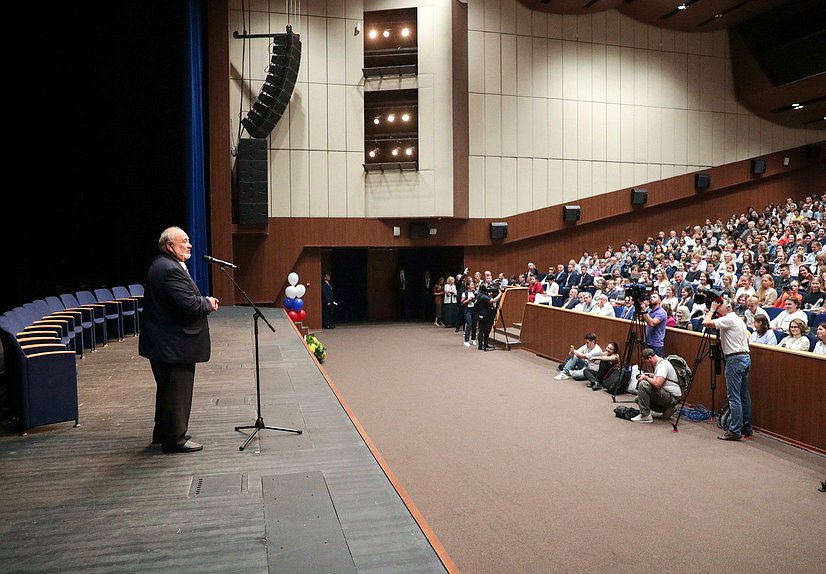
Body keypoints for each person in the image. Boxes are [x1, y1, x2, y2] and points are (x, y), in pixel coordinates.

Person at [139, 226, 219, 454]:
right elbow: (189, 304)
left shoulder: (164, 265)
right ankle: (175, 439)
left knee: (167, 389)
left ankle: (164, 432)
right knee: (177, 391)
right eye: (184, 241)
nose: (189, 244)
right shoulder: (169, 269)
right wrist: (208, 303)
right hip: (173, 344)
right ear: (169, 246)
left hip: (164, 342)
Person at [703, 296, 752, 441]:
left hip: (735, 359)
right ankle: (746, 427)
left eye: (720, 305)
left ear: (728, 307)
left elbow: (706, 323)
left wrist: (711, 310)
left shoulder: (729, 318)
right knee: (744, 396)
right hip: (744, 358)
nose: (718, 307)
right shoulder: (736, 318)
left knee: (734, 397)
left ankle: (735, 430)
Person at [630, 348, 681, 423]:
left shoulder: (662, 366)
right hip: (668, 396)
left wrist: (645, 377)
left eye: (645, 362)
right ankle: (666, 409)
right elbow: (661, 379)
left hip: (671, 397)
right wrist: (651, 375)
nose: (646, 364)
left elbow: (657, 384)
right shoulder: (662, 363)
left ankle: (645, 416)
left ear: (650, 358)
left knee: (644, 384)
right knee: (639, 399)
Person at [476, 271, 503, 351]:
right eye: (487, 278)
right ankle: (480, 346)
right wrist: (501, 293)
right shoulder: (481, 295)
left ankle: (486, 344)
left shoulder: (492, 288)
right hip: (483, 313)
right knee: (482, 329)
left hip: (491, 312)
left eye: (490, 278)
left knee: (488, 328)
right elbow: (493, 300)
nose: (489, 279)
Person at [640, 292, 667, 356]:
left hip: (656, 344)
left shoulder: (661, 312)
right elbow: (642, 320)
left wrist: (644, 311)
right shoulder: (649, 310)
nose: (651, 298)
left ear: (660, 301)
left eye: (654, 297)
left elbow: (652, 323)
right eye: (651, 297)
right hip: (647, 342)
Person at [460, 279, 478, 347]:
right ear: (468, 286)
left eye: (473, 285)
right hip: (468, 310)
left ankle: (473, 339)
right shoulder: (465, 293)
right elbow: (462, 302)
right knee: (469, 324)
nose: (473, 286)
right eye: (471, 285)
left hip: (474, 310)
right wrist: (468, 300)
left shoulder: (475, 292)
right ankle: (466, 340)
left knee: (474, 325)